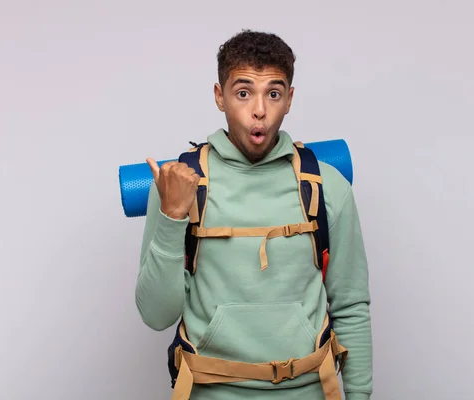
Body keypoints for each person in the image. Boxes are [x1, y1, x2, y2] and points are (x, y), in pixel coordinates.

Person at [135, 29, 373, 400]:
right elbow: (155, 315)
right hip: (209, 391)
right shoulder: (177, 186)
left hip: (308, 390)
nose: (259, 109)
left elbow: (351, 306)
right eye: (243, 92)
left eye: (273, 94)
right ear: (220, 96)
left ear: (290, 99)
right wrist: (171, 216)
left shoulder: (327, 186)